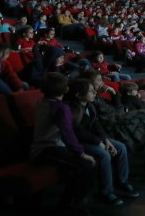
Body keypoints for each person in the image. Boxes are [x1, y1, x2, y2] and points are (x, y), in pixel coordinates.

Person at [64, 78, 138, 206]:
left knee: (120, 147)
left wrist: (105, 140)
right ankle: (106, 191)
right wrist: (99, 142)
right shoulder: (72, 109)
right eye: (91, 91)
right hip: (79, 142)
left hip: (94, 139)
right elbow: (77, 131)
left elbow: (96, 125)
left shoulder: (89, 105)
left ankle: (122, 181)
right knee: (103, 154)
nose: (95, 93)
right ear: (78, 95)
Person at [29, 73, 96, 213]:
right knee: (87, 165)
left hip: (42, 149)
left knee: (76, 169)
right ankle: (73, 206)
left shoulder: (42, 102)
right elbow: (67, 133)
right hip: (47, 150)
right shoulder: (61, 108)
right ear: (66, 90)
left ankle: (67, 204)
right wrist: (81, 153)